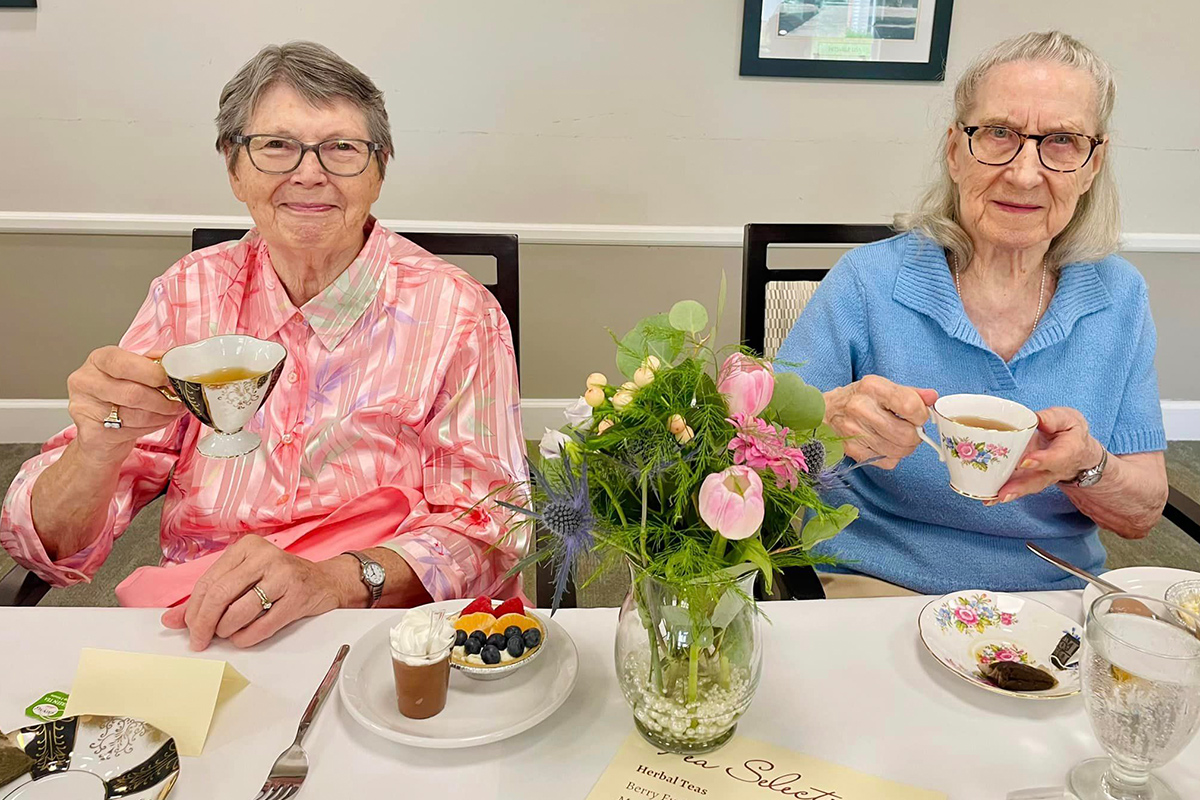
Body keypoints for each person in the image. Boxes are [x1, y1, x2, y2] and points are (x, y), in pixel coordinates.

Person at [0, 42, 527, 648]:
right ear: (234, 169)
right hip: (208, 622)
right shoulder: (188, 294)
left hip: (387, 627)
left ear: (379, 170)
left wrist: (333, 580)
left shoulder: (458, 312)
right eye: (276, 146)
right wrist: (98, 450)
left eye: (342, 148)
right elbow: (50, 547)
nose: (309, 172)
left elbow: (492, 529)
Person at [777, 31, 1167, 597]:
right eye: (999, 134)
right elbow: (754, 451)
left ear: (1091, 165)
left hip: (1052, 599)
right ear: (956, 151)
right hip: (875, 587)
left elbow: (1142, 513)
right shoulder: (868, 281)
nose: (1025, 173)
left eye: (1060, 141)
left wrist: (1086, 465)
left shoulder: (1120, 299)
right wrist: (828, 419)